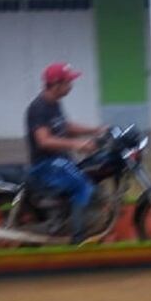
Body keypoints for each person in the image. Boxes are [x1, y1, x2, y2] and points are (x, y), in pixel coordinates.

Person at [26, 62, 106, 244]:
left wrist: (96, 130)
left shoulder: (54, 104)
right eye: (68, 82)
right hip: (45, 164)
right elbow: (44, 140)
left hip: (59, 159)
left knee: (92, 170)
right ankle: (78, 237)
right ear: (56, 84)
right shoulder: (39, 108)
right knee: (82, 185)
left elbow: (66, 126)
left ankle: (81, 217)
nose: (71, 85)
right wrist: (77, 145)